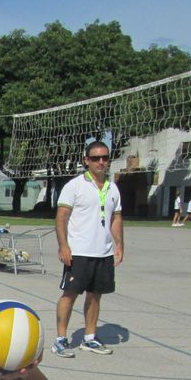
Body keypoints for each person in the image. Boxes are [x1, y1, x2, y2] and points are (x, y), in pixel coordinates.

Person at [52, 142, 123, 358]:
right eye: (95, 158)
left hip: (103, 253)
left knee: (95, 296)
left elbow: (115, 218)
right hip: (79, 252)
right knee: (70, 295)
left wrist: (119, 244)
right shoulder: (74, 186)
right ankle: (60, 339)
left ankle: (90, 338)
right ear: (86, 161)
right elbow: (61, 217)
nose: (101, 162)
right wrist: (63, 245)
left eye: (104, 158)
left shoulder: (112, 188)